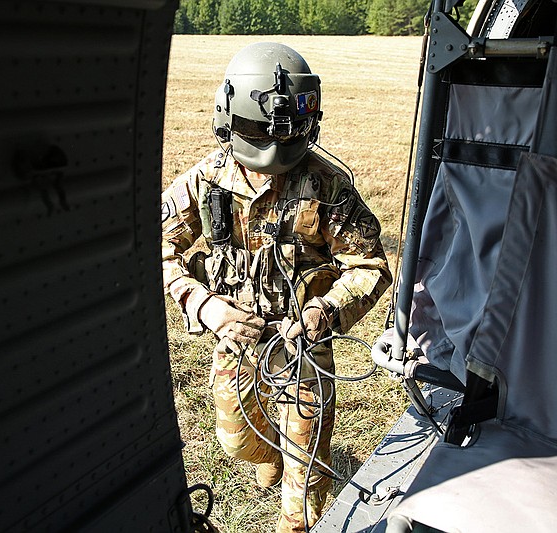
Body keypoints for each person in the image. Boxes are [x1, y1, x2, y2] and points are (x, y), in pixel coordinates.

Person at [161, 41, 391, 533]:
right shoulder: (208, 180)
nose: (273, 152)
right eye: (256, 133)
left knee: (304, 480)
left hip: (305, 348)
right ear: (229, 120)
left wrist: (323, 313)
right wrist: (202, 305)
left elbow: (369, 265)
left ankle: (298, 502)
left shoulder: (327, 186)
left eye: (285, 138)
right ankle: (274, 453)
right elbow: (153, 250)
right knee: (236, 442)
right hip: (238, 341)